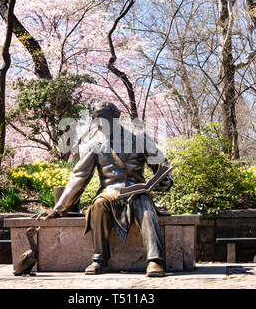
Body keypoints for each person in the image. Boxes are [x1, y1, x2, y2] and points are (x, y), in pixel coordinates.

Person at [34, 101, 173, 277]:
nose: (100, 124)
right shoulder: (95, 145)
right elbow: (79, 176)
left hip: (136, 191)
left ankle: (154, 261)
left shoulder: (140, 139)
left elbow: (162, 165)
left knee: (145, 205)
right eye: (97, 119)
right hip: (109, 192)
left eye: (104, 119)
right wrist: (59, 208)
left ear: (116, 118)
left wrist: (165, 180)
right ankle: (99, 259)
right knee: (98, 206)